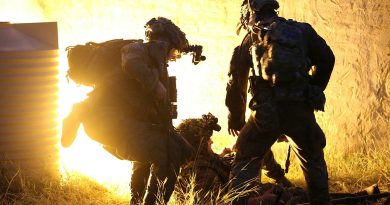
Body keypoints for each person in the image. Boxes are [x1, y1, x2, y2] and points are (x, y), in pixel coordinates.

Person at [61, 17, 195, 205]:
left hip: (117, 122)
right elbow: (131, 62)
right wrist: (155, 84)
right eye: (173, 52)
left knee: (175, 150)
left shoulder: (152, 62)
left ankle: (138, 200)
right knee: (165, 152)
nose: (172, 58)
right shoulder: (138, 48)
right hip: (105, 121)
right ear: (164, 43)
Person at [225, 0, 335, 204]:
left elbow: (236, 82)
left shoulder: (251, 38)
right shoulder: (303, 32)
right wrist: (312, 89)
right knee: (313, 160)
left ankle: (238, 201)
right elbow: (327, 58)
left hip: (264, 115)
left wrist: (236, 119)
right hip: (300, 111)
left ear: (250, 13)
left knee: (245, 158)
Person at [175, 113, 291, 202]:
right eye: (207, 139)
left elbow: (214, 167)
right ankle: (284, 183)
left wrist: (225, 154)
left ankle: (281, 180)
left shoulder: (196, 161)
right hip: (246, 196)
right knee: (294, 196)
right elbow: (224, 202)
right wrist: (262, 200)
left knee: (253, 147)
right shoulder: (201, 173)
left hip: (240, 185)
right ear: (198, 144)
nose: (211, 141)